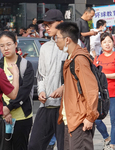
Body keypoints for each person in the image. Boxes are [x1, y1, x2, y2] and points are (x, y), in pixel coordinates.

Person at [55, 22, 99, 150]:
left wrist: (90, 117)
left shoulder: (79, 59)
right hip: (72, 119)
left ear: (67, 40)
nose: (55, 40)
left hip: (80, 121)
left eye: (57, 37)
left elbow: (91, 90)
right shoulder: (71, 57)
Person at [28, 9, 66, 150]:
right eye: (45, 25)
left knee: (64, 146)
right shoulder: (45, 48)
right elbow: (41, 75)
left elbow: (77, 76)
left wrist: (64, 87)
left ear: (61, 23)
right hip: (46, 105)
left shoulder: (73, 45)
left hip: (65, 107)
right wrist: (42, 91)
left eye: (50, 24)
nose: (47, 28)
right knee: (34, 145)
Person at [0, 31, 34, 150]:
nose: (5, 48)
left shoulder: (25, 65)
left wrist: (9, 108)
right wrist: (4, 109)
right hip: (2, 116)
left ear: (15, 44)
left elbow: (24, 91)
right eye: (2, 46)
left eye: (9, 44)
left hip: (22, 117)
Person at [93, 32, 115, 150]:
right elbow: (94, 74)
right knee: (96, 119)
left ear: (113, 42)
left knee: (114, 120)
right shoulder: (98, 58)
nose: (107, 44)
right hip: (101, 94)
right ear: (101, 44)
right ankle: (106, 137)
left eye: (109, 41)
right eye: (104, 42)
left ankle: (112, 145)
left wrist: (103, 75)